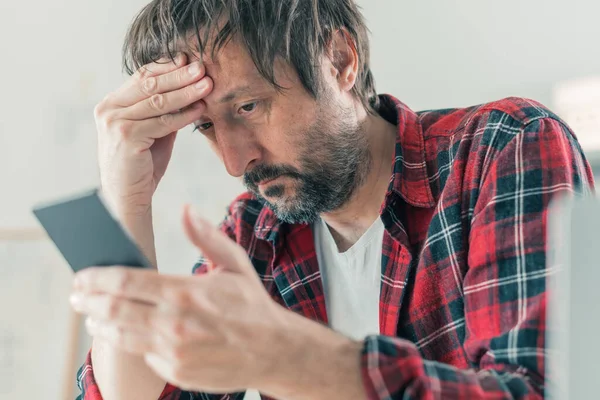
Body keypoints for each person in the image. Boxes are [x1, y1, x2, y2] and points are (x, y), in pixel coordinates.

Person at [70, 0, 594, 399]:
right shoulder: (256, 231)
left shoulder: (503, 146)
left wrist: (291, 357)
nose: (235, 162)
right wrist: (127, 200)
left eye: (249, 106)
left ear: (341, 60)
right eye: (206, 126)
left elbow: (542, 390)